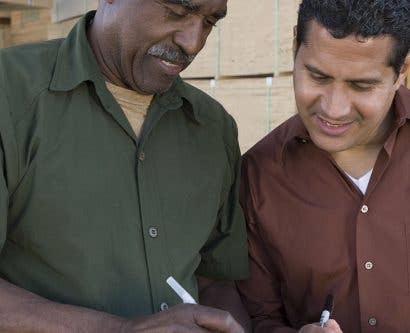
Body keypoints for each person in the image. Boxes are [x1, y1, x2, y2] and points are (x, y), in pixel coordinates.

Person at [0, 0, 250, 332]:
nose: (193, 43)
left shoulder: (214, 128)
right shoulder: (10, 94)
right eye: (177, 11)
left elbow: (217, 279)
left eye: (209, 22)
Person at [237, 0, 410, 332]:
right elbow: (260, 318)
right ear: (294, 49)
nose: (334, 109)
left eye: (361, 86)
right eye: (317, 76)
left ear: (400, 72)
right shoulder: (259, 176)